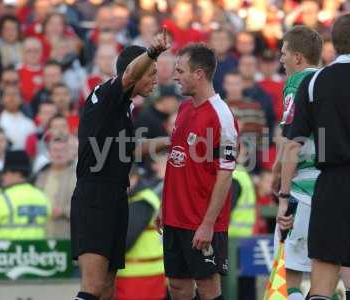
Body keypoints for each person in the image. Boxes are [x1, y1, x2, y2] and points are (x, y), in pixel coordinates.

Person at [279, 14, 350, 299]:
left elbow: (291, 144)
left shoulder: (314, 82)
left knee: (323, 277)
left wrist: (284, 196)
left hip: (333, 184)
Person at [71, 29, 170, 300]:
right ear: (134, 73)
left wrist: (170, 141)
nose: (155, 81)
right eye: (151, 74)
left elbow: (129, 151)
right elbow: (127, 75)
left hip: (115, 195)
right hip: (95, 197)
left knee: (107, 288)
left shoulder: (123, 107)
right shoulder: (106, 94)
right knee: (91, 287)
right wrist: (152, 52)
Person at [158, 43, 239, 300]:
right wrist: (165, 207)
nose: (175, 76)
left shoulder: (221, 116)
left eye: (180, 71)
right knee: (178, 287)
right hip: (174, 217)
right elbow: (176, 161)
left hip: (201, 222)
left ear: (199, 74)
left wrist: (208, 224)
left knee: (208, 289)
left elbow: (226, 174)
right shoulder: (183, 108)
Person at [115, 166, 166, 300]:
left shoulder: (142, 202)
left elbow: (125, 240)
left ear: (135, 179)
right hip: (141, 275)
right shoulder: (131, 199)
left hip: (139, 277)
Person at [0, 150, 51, 240]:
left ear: (15, 173)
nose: (2, 177)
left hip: (5, 252)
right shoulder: (42, 197)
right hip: (36, 252)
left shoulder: (1, 199)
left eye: (5, 173)